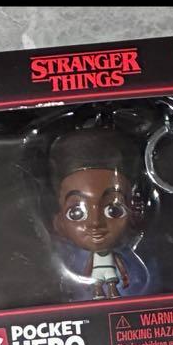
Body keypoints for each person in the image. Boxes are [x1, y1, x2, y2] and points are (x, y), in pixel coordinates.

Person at [50, 127, 143, 298]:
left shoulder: (137, 265)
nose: (95, 223)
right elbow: (86, 271)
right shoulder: (67, 264)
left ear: (135, 215)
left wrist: (125, 276)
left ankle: (111, 292)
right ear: (59, 223)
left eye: (113, 210)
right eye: (76, 213)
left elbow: (123, 268)